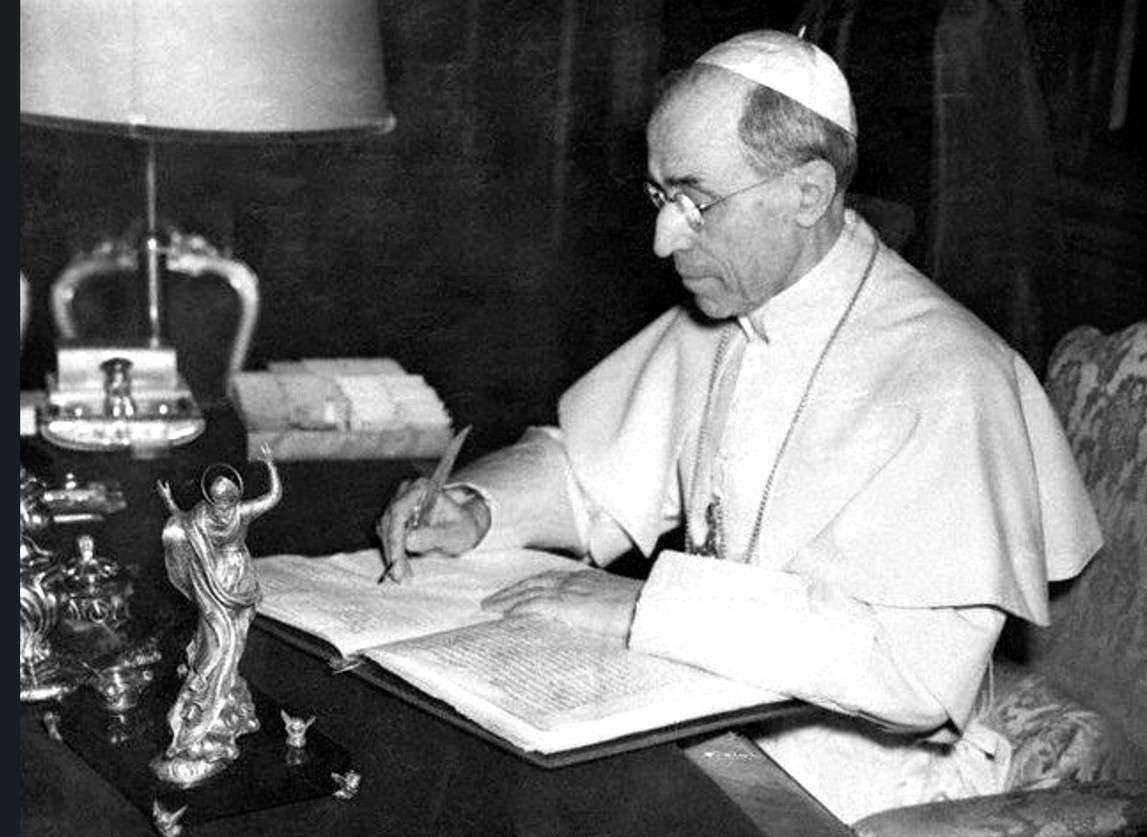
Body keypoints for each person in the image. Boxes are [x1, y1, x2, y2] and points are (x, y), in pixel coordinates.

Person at [376, 30, 1101, 824]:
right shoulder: (734, 307)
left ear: (807, 192)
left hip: (851, 790)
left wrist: (646, 608)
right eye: (659, 197)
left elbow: (916, 676)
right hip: (682, 719)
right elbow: (592, 471)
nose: (664, 240)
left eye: (696, 202)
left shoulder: (954, 373)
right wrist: (479, 508)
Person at [152, 445, 282, 787]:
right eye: (218, 500)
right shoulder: (201, 515)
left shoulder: (242, 512)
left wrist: (270, 467)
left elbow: (272, 498)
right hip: (212, 581)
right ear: (210, 498)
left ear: (235, 497)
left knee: (234, 643)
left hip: (239, 578)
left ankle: (222, 697)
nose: (223, 507)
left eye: (228, 500)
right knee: (216, 641)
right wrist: (169, 503)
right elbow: (182, 524)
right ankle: (203, 704)